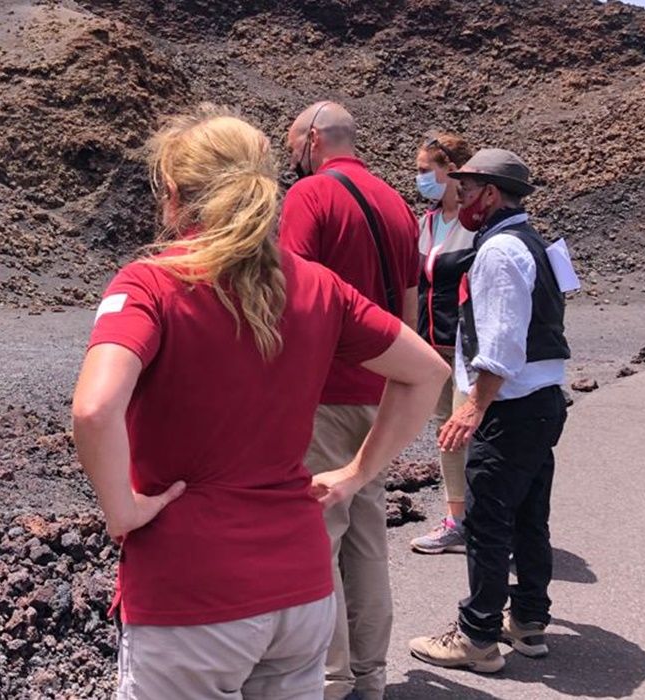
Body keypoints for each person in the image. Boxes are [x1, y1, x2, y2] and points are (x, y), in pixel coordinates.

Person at [72, 104, 448, 699]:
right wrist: (356, 474)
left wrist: (122, 511)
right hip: (300, 595)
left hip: (191, 591)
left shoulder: (152, 283)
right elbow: (426, 372)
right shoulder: (318, 286)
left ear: (173, 193)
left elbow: (94, 410)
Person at [278, 101, 422, 700]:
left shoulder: (309, 197)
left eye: (292, 149)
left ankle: (331, 679)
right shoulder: (397, 203)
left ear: (313, 140)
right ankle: (372, 675)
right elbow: (410, 309)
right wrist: (398, 383)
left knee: (321, 533)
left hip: (326, 393)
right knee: (367, 537)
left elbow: (292, 291)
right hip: (381, 392)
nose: (292, 162)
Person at [409, 149, 570, 673]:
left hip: (513, 404)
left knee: (486, 521)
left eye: (468, 189)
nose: (461, 198)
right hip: (543, 402)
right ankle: (528, 621)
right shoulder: (535, 243)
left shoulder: (499, 251)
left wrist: (472, 406)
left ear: (491, 195)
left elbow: (501, 342)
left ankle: (477, 636)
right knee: (529, 516)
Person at [409, 134, 478, 555]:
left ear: (451, 170)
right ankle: (458, 520)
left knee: (469, 433)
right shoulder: (427, 222)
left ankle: (487, 518)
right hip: (432, 347)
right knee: (444, 433)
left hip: (467, 348)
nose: (418, 178)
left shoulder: (476, 225)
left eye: (423, 170)